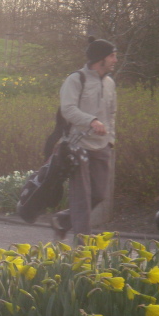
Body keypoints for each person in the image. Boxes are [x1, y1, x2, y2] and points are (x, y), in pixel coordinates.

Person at [51, 37, 117, 239]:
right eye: (112, 56)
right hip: (77, 145)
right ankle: (83, 248)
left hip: (102, 147)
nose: (115, 60)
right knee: (81, 197)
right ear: (100, 59)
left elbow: (112, 114)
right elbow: (68, 110)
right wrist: (91, 121)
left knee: (99, 195)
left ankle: (62, 220)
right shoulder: (76, 79)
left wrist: (111, 139)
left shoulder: (109, 83)